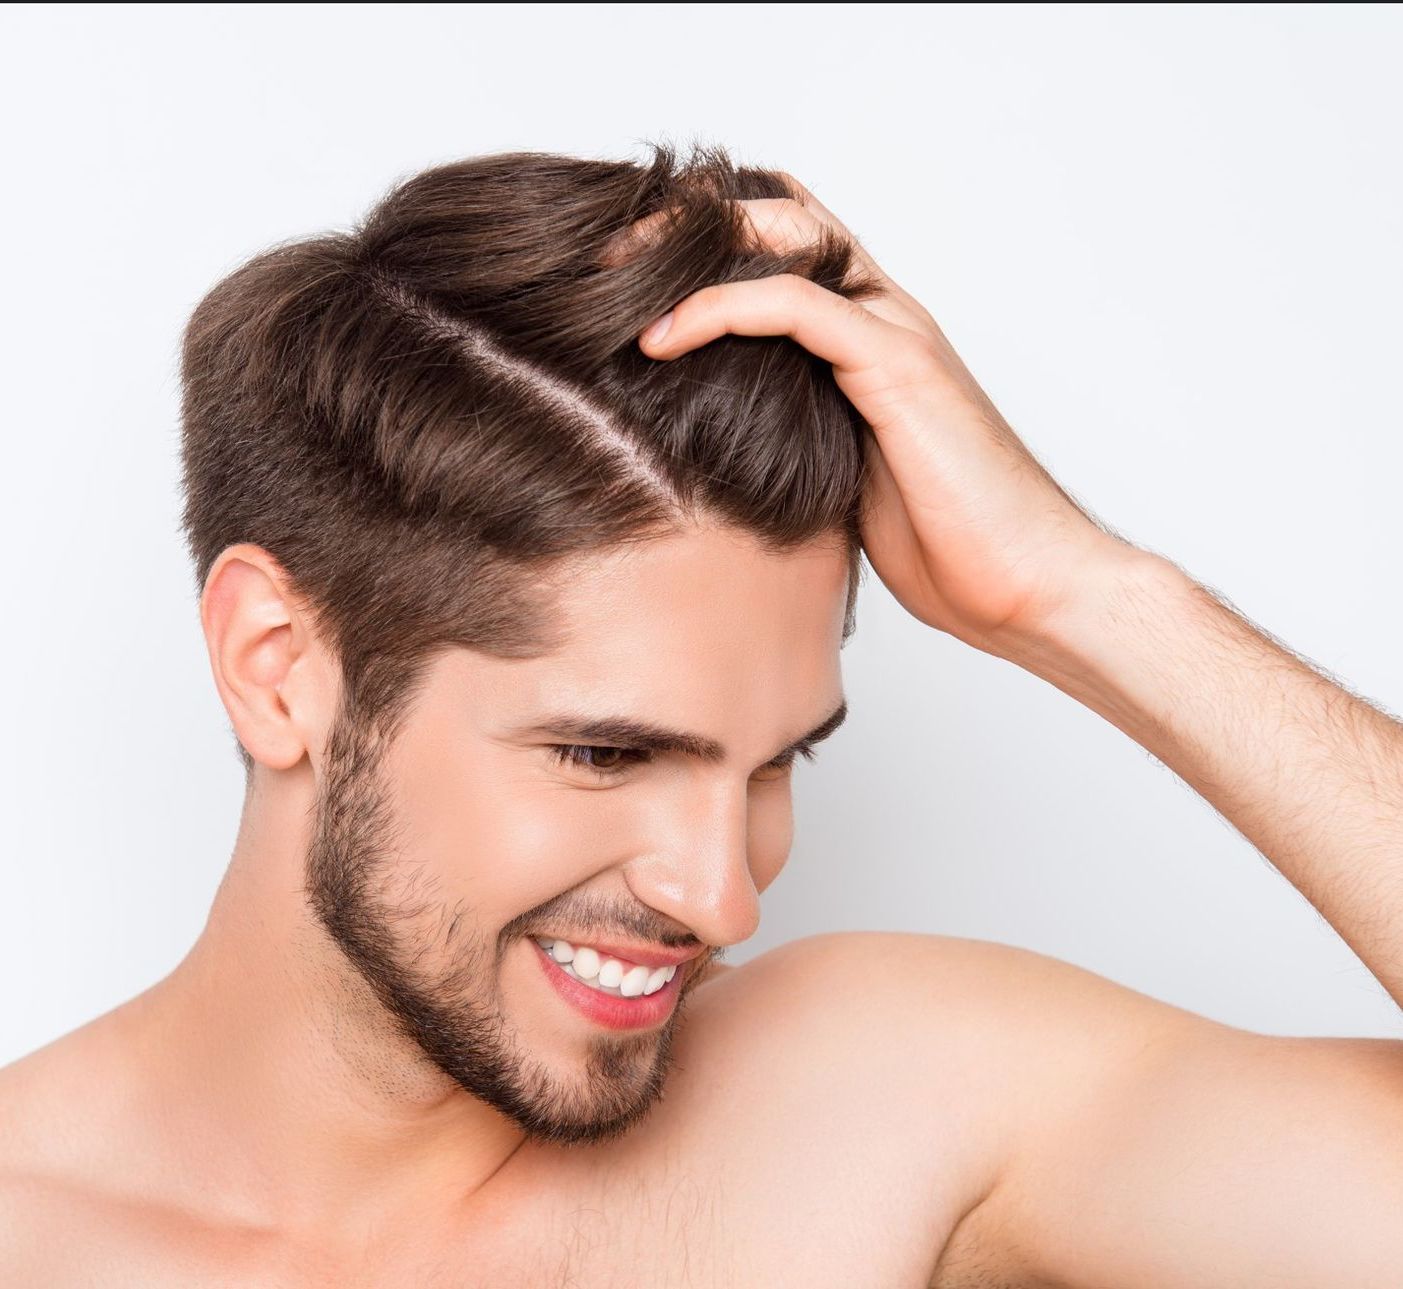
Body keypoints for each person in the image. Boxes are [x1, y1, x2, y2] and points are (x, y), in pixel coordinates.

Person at [1, 141, 1400, 1287]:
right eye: (606, 753)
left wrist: (1082, 593)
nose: (723, 897)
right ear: (274, 661)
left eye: (776, 761)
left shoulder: (872, 1105)